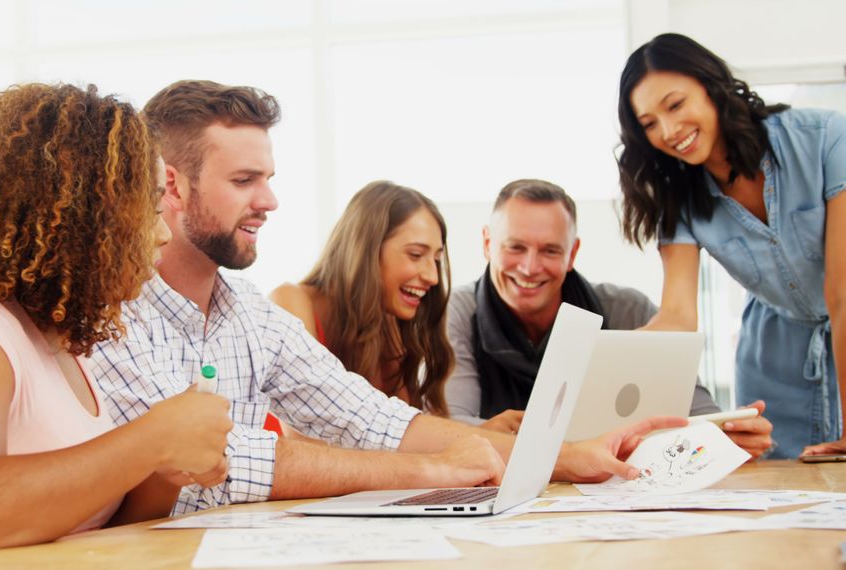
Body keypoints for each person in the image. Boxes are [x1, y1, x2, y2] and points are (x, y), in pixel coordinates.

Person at [91, 79, 685, 516]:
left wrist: (569, 456)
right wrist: (430, 471)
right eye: (245, 181)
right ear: (172, 185)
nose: (269, 201)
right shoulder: (111, 312)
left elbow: (375, 421)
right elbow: (217, 467)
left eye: (268, 179)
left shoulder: (247, 314)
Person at [0, 83, 233, 569]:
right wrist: (154, 439)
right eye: (146, 210)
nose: (163, 233)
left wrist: (164, 472)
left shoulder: (61, 347)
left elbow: (86, 532)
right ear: (84, 219)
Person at [616, 33, 845, 458]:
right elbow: (678, 316)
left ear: (712, 85)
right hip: (773, 365)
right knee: (781, 490)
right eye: (649, 123)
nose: (668, 131)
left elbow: (842, 292)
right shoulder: (679, 197)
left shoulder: (826, 138)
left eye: (675, 105)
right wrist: (606, 358)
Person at [444, 179, 774, 459]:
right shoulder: (456, 313)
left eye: (550, 251)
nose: (530, 267)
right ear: (487, 244)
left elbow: (698, 415)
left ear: (572, 254)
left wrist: (730, 434)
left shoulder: (629, 310)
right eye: (515, 247)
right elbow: (450, 425)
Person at [270, 181, 453, 415]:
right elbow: (305, 430)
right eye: (415, 255)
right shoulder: (289, 301)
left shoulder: (386, 317)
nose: (433, 277)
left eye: (436, 259)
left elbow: (408, 424)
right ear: (366, 250)